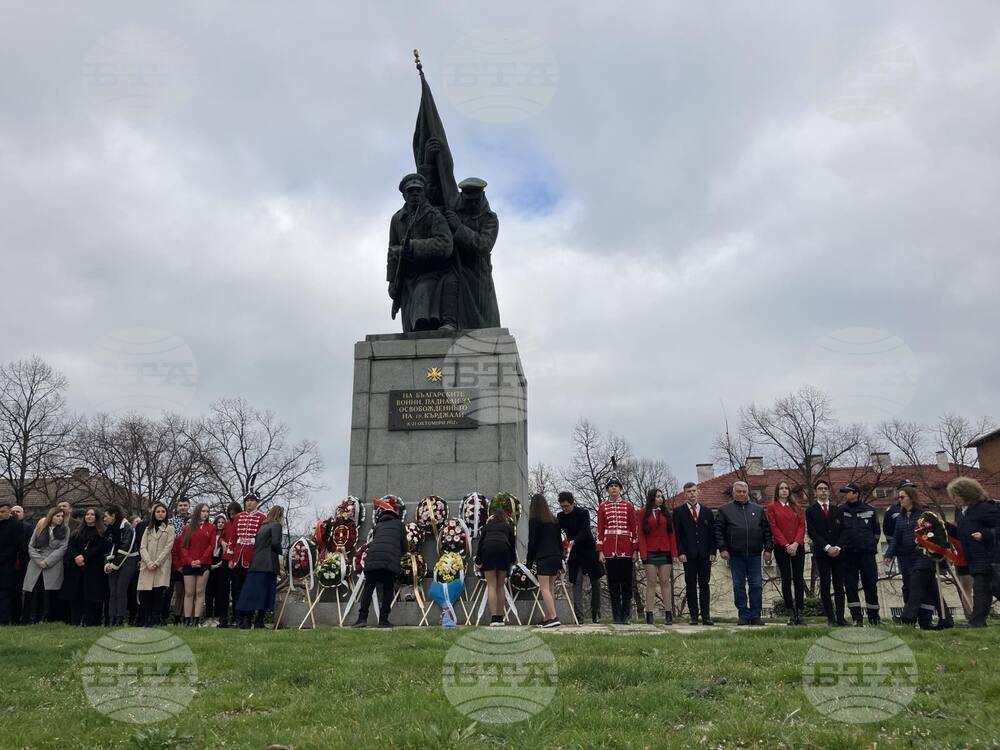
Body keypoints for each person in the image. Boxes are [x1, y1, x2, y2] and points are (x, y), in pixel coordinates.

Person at [386, 172, 457, 332]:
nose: (415, 194)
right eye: (410, 191)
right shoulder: (397, 219)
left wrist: (413, 246)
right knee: (409, 330)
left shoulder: (434, 216)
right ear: (404, 195)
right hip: (407, 278)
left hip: (431, 275)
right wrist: (391, 281)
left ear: (424, 192)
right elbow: (391, 252)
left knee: (421, 315)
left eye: (418, 190)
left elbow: (446, 245)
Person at [884, 486, 947, 630]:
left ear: (911, 498)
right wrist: (889, 553)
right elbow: (896, 537)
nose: (899, 500)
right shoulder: (900, 517)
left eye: (902, 497)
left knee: (916, 588)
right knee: (931, 591)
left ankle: (907, 617)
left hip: (923, 556)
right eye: (898, 497)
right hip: (907, 557)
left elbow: (934, 533)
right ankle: (942, 620)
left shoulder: (923, 515)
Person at [443, 177, 502, 329]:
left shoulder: (490, 219)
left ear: (481, 196)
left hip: (479, 275)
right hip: (458, 268)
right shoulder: (454, 210)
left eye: (475, 200)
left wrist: (458, 227)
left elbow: (484, 245)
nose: (472, 204)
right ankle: (449, 323)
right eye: (469, 200)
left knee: (483, 322)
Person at [715, 481, 773, 626]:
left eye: (744, 491)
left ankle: (755, 615)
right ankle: (743, 614)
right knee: (738, 585)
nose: (741, 494)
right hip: (735, 555)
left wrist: (768, 549)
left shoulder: (758, 509)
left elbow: (766, 530)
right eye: (739, 491)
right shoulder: (724, 510)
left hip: (754, 554)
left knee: (756, 585)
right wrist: (722, 548)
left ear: (748, 492)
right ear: (734, 493)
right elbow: (718, 531)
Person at [946, 477, 1000, 627]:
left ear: (966, 493)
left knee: (994, 586)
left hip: (991, 557)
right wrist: (942, 526)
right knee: (981, 590)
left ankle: (977, 621)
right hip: (976, 559)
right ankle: (977, 622)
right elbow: (962, 535)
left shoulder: (986, 508)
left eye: (955, 495)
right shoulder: (963, 513)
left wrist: (985, 534)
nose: (953, 499)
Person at [354, 497, 406, 628]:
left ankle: (362, 618)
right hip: (389, 561)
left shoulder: (378, 526)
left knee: (369, 587)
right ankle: (383, 620)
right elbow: (404, 546)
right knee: (388, 588)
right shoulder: (399, 525)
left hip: (372, 560)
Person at [597, 476, 639, 625]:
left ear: (620, 488)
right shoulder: (603, 507)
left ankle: (626, 615)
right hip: (609, 550)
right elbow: (600, 530)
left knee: (626, 583)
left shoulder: (628, 505)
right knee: (613, 583)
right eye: (611, 486)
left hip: (626, 550)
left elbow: (634, 529)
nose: (613, 488)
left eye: (616, 485)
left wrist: (635, 550)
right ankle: (617, 616)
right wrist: (600, 551)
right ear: (607, 489)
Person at [838, 482, 881, 626]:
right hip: (848, 554)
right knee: (850, 586)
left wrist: (869, 545)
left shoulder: (870, 510)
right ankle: (857, 617)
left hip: (866, 554)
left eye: (848, 492)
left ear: (856, 493)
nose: (846, 494)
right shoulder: (841, 510)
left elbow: (876, 532)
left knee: (870, 584)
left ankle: (874, 617)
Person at [235, 505, 285, 629]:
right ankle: (259, 621)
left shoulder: (262, 526)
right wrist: (282, 551)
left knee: (252, 592)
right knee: (266, 593)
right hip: (268, 564)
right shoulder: (276, 526)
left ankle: (246, 620)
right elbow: (275, 543)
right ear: (280, 515)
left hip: (255, 563)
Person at [673, 482, 717, 625]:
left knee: (704, 584)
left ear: (698, 492)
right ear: (685, 494)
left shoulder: (707, 511)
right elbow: (677, 534)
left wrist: (712, 551)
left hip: (705, 554)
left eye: (694, 491)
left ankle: (706, 616)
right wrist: (680, 552)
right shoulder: (679, 512)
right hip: (688, 554)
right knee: (690, 584)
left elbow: (712, 533)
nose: (692, 494)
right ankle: (693, 616)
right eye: (688, 492)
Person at [805, 479, 846, 626]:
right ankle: (831, 618)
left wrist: (838, 547)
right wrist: (827, 547)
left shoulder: (837, 510)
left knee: (839, 585)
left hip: (838, 554)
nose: (823, 491)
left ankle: (841, 617)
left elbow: (844, 531)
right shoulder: (811, 511)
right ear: (816, 492)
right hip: (822, 554)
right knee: (825, 585)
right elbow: (812, 532)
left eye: (825, 489)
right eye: (820, 489)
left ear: (829, 491)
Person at [557, 491, 602, 623]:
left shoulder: (583, 513)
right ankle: (579, 615)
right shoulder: (560, 517)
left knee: (595, 582)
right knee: (576, 583)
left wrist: (574, 540)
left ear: (572, 503)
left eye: (566, 506)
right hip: (574, 554)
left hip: (588, 550)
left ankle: (596, 612)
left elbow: (585, 530)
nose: (564, 509)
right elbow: (559, 533)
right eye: (562, 506)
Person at [767, 480, 806, 625]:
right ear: (777, 491)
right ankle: (790, 612)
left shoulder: (797, 507)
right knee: (786, 578)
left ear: (789, 491)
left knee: (798, 579)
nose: (784, 491)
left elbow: (802, 526)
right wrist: (786, 544)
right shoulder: (772, 507)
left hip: (797, 546)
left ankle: (800, 613)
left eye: (786, 488)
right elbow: (773, 527)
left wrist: (795, 543)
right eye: (781, 488)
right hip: (781, 547)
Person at [22, 506, 69, 623]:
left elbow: (63, 548)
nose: (60, 518)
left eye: (62, 516)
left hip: (53, 564)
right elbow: (31, 546)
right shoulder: (41, 526)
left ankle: (48, 618)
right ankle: (31, 618)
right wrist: (39, 561)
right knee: (34, 590)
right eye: (57, 516)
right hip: (36, 563)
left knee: (50, 592)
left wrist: (47, 561)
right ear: (51, 516)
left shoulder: (65, 529)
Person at [60, 508, 107, 626]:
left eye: (92, 514)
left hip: (93, 568)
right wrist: (76, 556)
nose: (89, 516)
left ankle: (90, 622)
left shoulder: (102, 533)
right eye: (87, 514)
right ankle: (75, 621)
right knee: (76, 596)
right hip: (76, 568)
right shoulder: (77, 532)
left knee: (91, 597)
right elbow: (71, 546)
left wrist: (84, 556)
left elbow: (99, 548)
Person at [637, 487, 676, 625]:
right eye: (658, 496)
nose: (661, 498)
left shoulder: (667, 514)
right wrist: (643, 553)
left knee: (665, 582)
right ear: (652, 498)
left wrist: (674, 552)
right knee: (651, 582)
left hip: (665, 551)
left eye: (662, 496)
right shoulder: (642, 513)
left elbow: (671, 534)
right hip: (650, 552)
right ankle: (649, 614)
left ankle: (668, 613)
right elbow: (640, 535)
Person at [225, 493, 266, 619]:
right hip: (238, 557)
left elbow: (262, 540)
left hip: (252, 557)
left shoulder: (262, 517)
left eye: (252, 500)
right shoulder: (238, 517)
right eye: (247, 500)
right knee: (236, 588)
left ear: (257, 502)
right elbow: (233, 538)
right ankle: (237, 616)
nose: (249, 503)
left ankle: (248, 617)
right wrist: (230, 558)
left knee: (250, 588)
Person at [475, 508, 517, 626]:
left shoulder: (487, 527)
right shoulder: (508, 527)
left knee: (491, 585)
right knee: (500, 585)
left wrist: (479, 561)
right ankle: (500, 617)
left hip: (488, 551)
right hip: (503, 552)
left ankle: (494, 618)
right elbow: (512, 545)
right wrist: (512, 561)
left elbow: (481, 544)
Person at [526, 494, 562, 628]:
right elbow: (559, 541)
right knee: (550, 588)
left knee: (544, 588)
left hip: (544, 557)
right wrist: (561, 559)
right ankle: (548, 617)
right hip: (555, 557)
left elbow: (532, 542)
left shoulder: (535, 520)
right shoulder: (553, 520)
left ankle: (553, 617)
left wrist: (528, 563)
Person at [178, 503, 216, 627]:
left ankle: (196, 620)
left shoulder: (211, 527)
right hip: (189, 564)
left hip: (204, 564)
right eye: (203, 511)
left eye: (207, 511)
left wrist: (201, 560)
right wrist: (189, 560)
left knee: (200, 592)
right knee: (189, 592)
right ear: (197, 512)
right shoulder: (187, 528)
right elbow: (183, 547)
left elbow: (211, 545)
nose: (205, 513)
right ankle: (187, 619)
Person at [137, 502, 173, 627]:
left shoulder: (170, 528)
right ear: (153, 513)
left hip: (161, 565)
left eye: (163, 511)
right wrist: (148, 562)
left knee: (158, 593)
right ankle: (146, 619)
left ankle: (156, 619)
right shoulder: (148, 529)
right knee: (146, 594)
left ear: (166, 513)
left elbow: (168, 547)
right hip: (147, 565)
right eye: (158, 512)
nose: (160, 514)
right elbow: (142, 547)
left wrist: (157, 563)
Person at [103, 505, 138, 627]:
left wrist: (114, 565)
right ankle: (111, 618)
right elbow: (107, 547)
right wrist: (107, 563)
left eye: (106, 516)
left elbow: (126, 547)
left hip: (127, 561)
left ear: (113, 515)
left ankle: (119, 618)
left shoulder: (127, 527)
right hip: (112, 562)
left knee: (120, 591)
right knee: (112, 592)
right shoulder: (110, 529)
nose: (104, 519)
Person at [212, 502, 241, 628]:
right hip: (225, 559)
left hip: (236, 560)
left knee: (236, 590)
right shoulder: (227, 524)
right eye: (230, 513)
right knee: (222, 590)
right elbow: (221, 537)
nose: (232, 515)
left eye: (234, 513)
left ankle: (236, 617)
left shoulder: (241, 524)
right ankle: (223, 618)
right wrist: (223, 542)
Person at [164, 498, 190, 624]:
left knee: (188, 591)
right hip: (173, 558)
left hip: (188, 559)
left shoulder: (193, 521)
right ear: (177, 506)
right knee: (173, 590)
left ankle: (187, 616)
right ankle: (171, 616)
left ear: (189, 506)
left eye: (185, 505)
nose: (183, 507)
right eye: (181, 505)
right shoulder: (171, 522)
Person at [0, 499, 24, 625]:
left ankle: (5, 620)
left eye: (2, 511)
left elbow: (15, 546)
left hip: (9, 565)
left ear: (9, 511)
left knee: (6, 594)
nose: (0, 514)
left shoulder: (16, 525)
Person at [204, 514, 229, 625]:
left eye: (223, 522)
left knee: (220, 592)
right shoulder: (210, 535)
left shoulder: (226, 536)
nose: (220, 524)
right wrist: (210, 565)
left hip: (221, 565)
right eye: (218, 522)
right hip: (210, 564)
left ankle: (218, 617)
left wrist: (220, 564)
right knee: (209, 592)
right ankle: (208, 616)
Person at [9, 505, 30, 624]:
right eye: (13, 511)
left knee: (19, 592)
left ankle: (18, 618)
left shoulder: (27, 527)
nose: (15, 513)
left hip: (21, 564)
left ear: (23, 514)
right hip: (8, 564)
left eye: (18, 511)